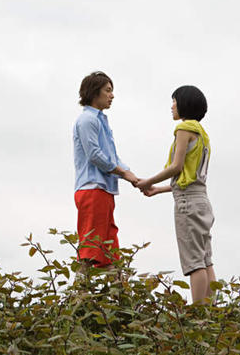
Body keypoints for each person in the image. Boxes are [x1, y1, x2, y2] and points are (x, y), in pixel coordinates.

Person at [136, 85, 216, 304]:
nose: (172, 106)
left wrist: (148, 181)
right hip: (202, 201)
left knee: (194, 263)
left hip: (187, 204)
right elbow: (190, 178)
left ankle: (198, 316)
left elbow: (177, 167)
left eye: (174, 101)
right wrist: (159, 189)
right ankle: (213, 315)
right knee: (206, 260)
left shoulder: (184, 129)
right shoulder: (203, 134)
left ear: (184, 104)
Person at [73, 71, 139, 267]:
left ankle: (113, 295)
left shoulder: (101, 120)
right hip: (93, 189)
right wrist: (125, 173)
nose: (112, 95)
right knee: (90, 250)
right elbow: (95, 155)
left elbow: (112, 156)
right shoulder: (87, 120)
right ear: (95, 92)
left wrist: (132, 177)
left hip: (104, 190)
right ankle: (80, 295)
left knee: (109, 252)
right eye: (108, 90)